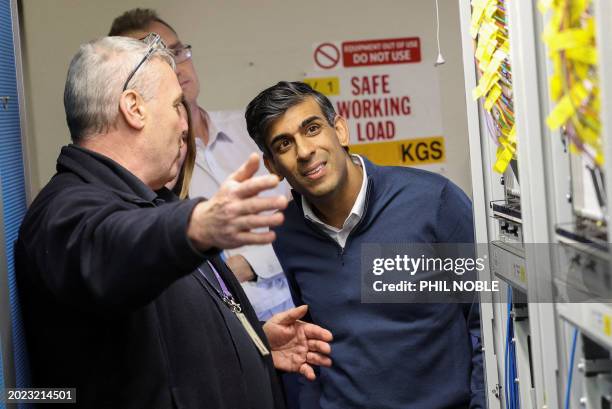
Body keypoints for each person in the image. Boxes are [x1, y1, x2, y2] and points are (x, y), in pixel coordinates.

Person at [15, 38, 333, 409]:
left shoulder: (150, 199)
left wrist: (252, 342)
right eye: (176, 106)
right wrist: (195, 226)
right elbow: (113, 248)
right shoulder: (64, 209)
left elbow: (163, 344)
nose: (185, 123)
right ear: (134, 108)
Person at [245, 81, 485, 409]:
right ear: (272, 165)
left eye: (312, 128)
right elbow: (313, 338)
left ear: (340, 130)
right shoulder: (285, 231)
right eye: (284, 144)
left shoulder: (433, 201)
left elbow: (490, 318)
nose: (304, 151)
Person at [109, 9, 294, 321]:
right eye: (156, 58)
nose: (176, 67)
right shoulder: (148, 173)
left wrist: (248, 264)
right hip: (235, 331)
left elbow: (307, 216)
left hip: (308, 311)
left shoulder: (251, 129)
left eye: (178, 51)